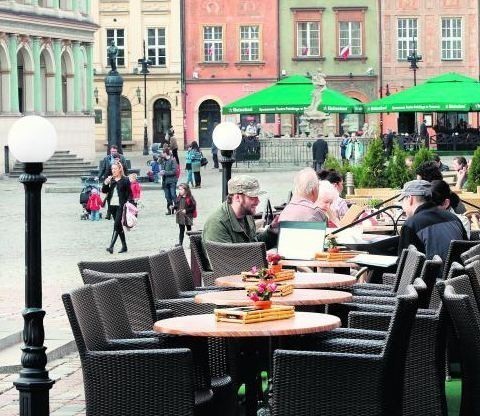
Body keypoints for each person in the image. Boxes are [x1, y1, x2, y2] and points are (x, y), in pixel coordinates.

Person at [202, 175, 278, 249]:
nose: (258, 201)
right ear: (237, 197)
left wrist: (272, 232)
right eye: (252, 197)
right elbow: (227, 259)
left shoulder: (247, 215)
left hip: (245, 261)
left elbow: (253, 245)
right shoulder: (217, 223)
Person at [397, 179, 466, 260]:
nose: (402, 206)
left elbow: (405, 264)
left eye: (402, 200)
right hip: (460, 271)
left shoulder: (411, 224)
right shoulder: (453, 218)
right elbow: (466, 250)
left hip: (432, 272)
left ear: (410, 199)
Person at [102, 162, 131, 253]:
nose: (113, 170)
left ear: (120, 169)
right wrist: (106, 183)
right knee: (118, 226)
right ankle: (124, 246)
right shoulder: (111, 180)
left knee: (116, 224)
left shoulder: (125, 180)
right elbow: (104, 191)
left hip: (121, 206)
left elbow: (129, 193)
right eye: (112, 169)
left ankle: (111, 246)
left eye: (115, 169)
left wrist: (129, 203)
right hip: (112, 206)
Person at [160, 148, 178, 215]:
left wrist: (165, 172)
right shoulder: (163, 161)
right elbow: (162, 168)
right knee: (167, 196)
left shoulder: (173, 160)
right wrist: (161, 172)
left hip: (172, 181)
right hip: (165, 181)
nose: (162, 154)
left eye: (163, 153)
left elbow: (174, 171)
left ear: (165, 153)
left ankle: (177, 209)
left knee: (173, 195)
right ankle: (170, 210)